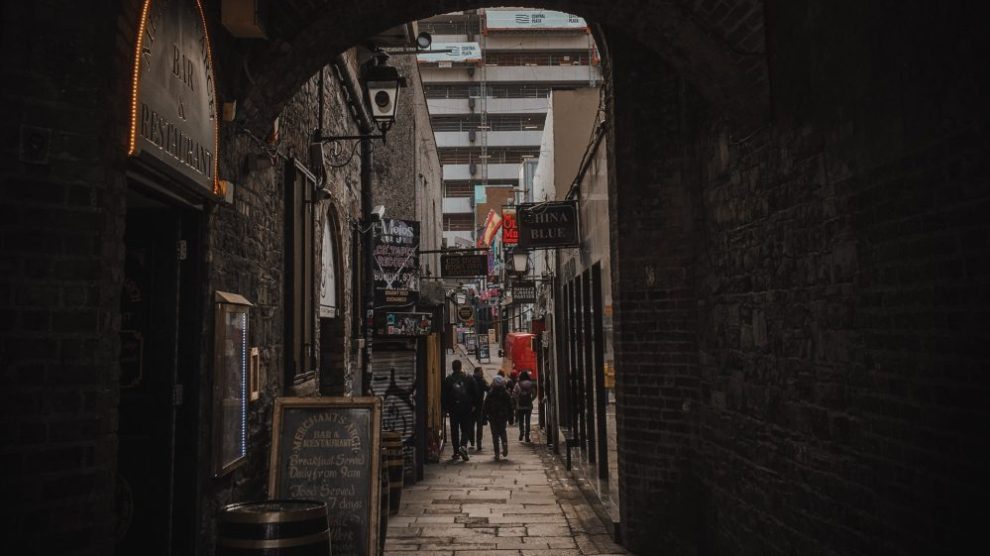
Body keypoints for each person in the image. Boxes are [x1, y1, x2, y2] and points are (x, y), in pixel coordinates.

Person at [441, 359, 476, 461]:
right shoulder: (468, 378)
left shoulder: (448, 380)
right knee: (466, 428)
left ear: (452, 368)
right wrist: (473, 404)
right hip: (466, 408)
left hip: (453, 408)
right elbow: (475, 392)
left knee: (454, 430)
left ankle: (456, 451)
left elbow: (443, 395)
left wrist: (445, 408)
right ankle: (463, 446)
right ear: (461, 367)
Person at [483, 375, 513, 460]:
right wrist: (511, 418)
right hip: (503, 416)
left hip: (493, 416)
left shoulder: (491, 393)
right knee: (503, 432)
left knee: (495, 435)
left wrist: (484, 417)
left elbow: (485, 405)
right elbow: (510, 406)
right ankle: (504, 444)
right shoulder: (505, 393)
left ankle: (496, 453)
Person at [513, 370, 535, 442]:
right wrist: (531, 399)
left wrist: (517, 400)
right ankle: (527, 436)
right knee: (527, 421)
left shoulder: (517, 384)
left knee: (521, 421)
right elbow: (534, 393)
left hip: (520, 405)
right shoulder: (530, 384)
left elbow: (514, 394)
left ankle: (521, 432)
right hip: (528, 405)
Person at [471, 367, 489, 451]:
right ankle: (478, 443)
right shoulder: (482, 381)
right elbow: (489, 389)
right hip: (479, 406)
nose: (483, 373)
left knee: (470, 425)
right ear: (477, 372)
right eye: (481, 372)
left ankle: (472, 441)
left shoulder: (470, 379)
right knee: (479, 426)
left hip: (471, 406)